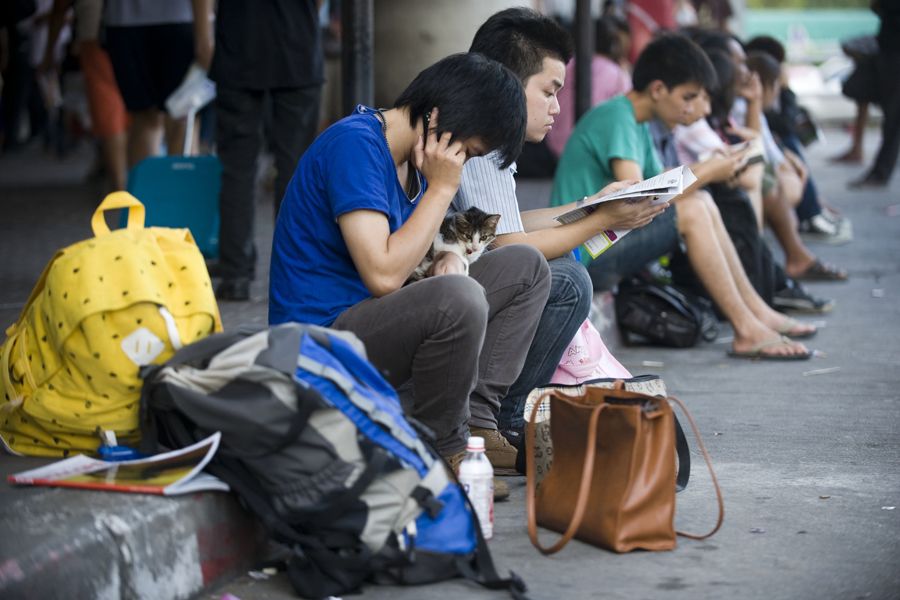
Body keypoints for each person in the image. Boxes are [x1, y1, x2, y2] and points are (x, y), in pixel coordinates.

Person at [269, 53, 550, 497]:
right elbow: (382, 274)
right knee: (459, 299)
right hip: (321, 344)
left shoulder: (410, 166)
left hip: (374, 326)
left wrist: (446, 260)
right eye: (467, 153)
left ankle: (473, 423)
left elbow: (407, 268)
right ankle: (440, 446)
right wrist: (443, 189)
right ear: (441, 120)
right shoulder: (357, 147)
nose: (462, 165)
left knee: (526, 268)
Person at [455, 7, 658, 436]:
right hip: (441, 283)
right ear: (507, 83)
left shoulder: (490, 139)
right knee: (566, 280)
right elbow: (508, 248)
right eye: (549, 91)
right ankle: (502, 417)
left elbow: (499, 225)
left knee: (562, 270)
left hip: (457, 271)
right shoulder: (482, 143)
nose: (557, 107)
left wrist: (590, 206)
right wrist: (602, 219)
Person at [553, 33, 814, 360]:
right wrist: (705, 170)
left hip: (605, 243)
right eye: (688, 97)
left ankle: (756, 313)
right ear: (658, 90)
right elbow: (638, 197)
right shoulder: (616, 116)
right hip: (585, 253)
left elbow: (660, 194)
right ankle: (747, 326)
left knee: (699, 202)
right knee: (693, 208)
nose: (693, 109)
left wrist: (708, 169)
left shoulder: (640, 123)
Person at [209, 0, 324, 301]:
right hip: (297, 44)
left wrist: (202, 35)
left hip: (238, 44)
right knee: (296, 170)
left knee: (237, 167)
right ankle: (294, 276)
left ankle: (235, 274)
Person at [102, 0, 211, 167]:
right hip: (180, 19)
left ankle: (147, 192)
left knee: (145, 120)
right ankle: (177, 192)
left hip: (124, 20)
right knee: (181, 119)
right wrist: (204, 36)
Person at [545, 14, 632, 159]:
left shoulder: (567, 64)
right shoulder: (618, 74)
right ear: (613, 44)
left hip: (553, 143)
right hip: (590, 152)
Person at [849, 0, 900, 188]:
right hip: (889, 51)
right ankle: (877, 169)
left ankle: (880, 172)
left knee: (893, 120)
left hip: (894, 54)